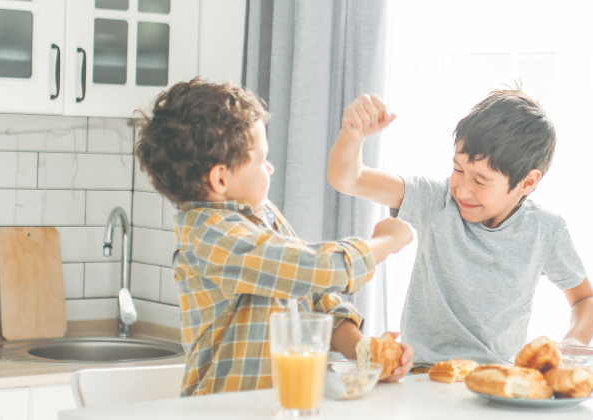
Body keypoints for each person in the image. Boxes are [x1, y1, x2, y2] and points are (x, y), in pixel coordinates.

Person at [134, 78, 415, 397]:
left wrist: (367, 356)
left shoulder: (262, 216)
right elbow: (313, 269)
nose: (269, 168)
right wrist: (385, 242)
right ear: (221, 177)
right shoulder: (212, 237)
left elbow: (314, 298)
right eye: (260, 159)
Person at [327, 88, 593, 371]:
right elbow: (348, 179)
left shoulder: (545, 230)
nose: (463, 190)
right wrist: (352, 136)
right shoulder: (435, 201)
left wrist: (573, 344)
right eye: (458, 169)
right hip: (422, 375)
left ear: (527, 183)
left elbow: (586, 299)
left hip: (496, 382)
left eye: (481, 181)